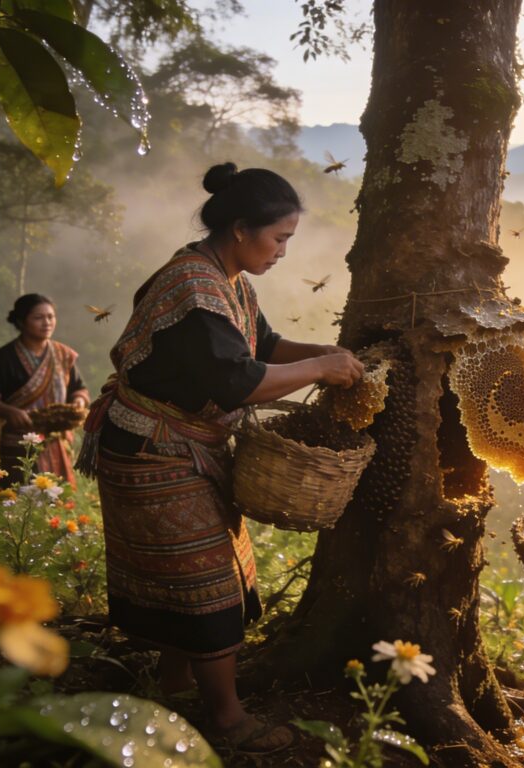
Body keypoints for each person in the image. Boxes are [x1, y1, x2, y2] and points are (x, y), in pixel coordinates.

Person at [76, 162, 363, 754]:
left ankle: (176, 683)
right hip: (153, 446)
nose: (283, 251)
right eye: (279, 238)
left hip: (184, 446)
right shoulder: (193, 287)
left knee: (189, 574)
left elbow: (264, 344)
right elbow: (238, 380)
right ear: (239, 228)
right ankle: (229, 722)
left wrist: (327, 353)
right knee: (205, 581)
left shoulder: (230, 279)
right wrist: (319, 370)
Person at [0, 294, 89, 487]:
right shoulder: (2, 359)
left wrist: (79, 401)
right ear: (21, 321)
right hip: (19, 445)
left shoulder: (64, 355)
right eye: (38, 318)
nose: (47, 323)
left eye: (51, 317)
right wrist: (9, 412)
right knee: (16, 501)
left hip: (56, 442)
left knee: (55, 503)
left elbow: (79, 389)